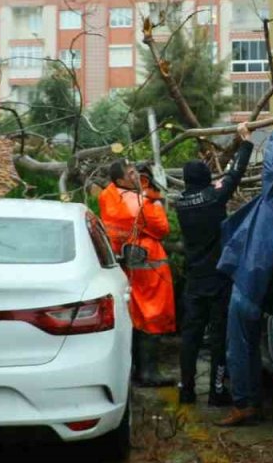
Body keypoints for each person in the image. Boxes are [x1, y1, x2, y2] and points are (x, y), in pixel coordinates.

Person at [215, 119, 273, 427]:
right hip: (255, 284)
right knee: (249, 347)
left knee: (238, 347)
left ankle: (244, 405)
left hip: (248, 283)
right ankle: (252, 402)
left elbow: (272, 170)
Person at [172, 122, 254, 406]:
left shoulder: (180, 203)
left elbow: (219, 182)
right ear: (206, 177)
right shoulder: (214, 197)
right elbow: (235, 174)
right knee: (219, 337)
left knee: (190, 336)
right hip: (218, 279)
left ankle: (186, 390)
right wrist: (245, 142)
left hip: (194, 281)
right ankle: (217, 392)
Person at [99, 160, 176, 387]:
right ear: (121, 180)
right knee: (152, 316)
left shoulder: (109, 196)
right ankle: (149, 372)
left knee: (136, 316)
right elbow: (162, 228)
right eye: (131, 173)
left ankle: (137, 369)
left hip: (127, 263)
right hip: (148, 266)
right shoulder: (138, 202)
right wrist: (156, 201)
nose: (135, 175)